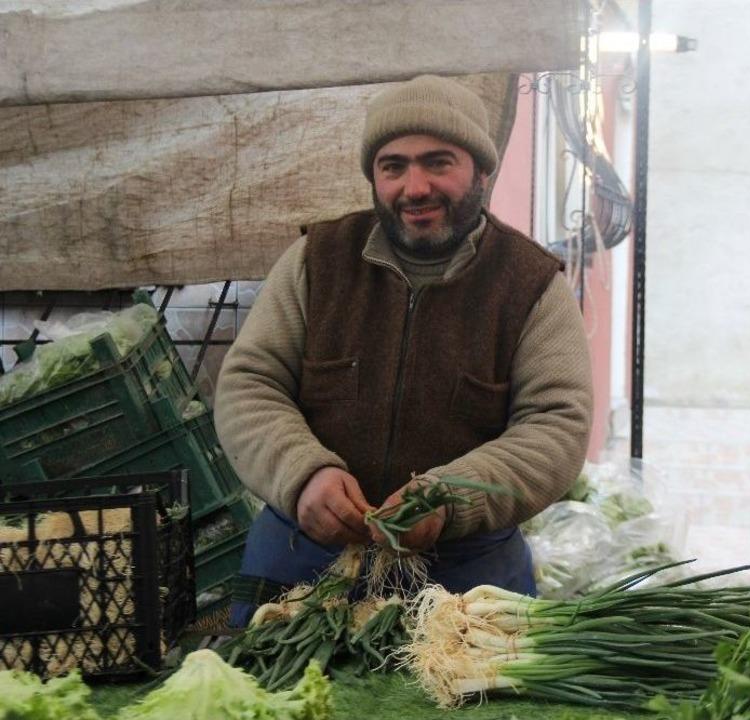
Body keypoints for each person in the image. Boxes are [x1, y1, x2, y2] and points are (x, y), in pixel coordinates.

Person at [213, 74, 593, 626]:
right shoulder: (316, 261)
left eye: (438, 162)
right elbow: (250, 383)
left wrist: (450, 498)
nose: (414, 187)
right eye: (393, 166)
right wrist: (302, 474)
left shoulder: (529, 283)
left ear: (482, 172)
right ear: (374, 176)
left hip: (465, 576)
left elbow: (556, 426)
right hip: (300, 562)